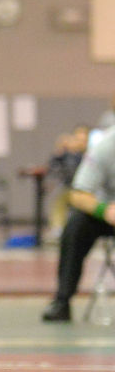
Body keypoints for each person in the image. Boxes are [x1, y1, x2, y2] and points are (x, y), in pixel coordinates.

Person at [42, 125, 115, 322]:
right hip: (109, 213)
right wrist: (104, 210)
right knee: (76, 225)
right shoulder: (105, 147)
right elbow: (78, 193)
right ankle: (62, 301)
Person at [46, 124, 90, 240]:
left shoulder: (91, 153)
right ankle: (58, 229)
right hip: (69, 187)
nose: (80, 142)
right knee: (59, 197)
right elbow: (53, 165)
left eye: (83, 140)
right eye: (78, 139)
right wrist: (60, 150)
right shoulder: (68, 154)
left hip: (86, 190)